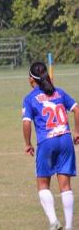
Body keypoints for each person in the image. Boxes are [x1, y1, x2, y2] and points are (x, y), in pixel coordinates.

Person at [22, 62, 79, 230]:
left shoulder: (30, 98)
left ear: (32, 79)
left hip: (47, 142)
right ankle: (69, 227)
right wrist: (77, 131)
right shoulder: (59, 92)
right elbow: (77, 109)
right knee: (65, 186)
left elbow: (26, 123)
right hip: (66, 140)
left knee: (43, 185)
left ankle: (54, 221)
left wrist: (27, 144)